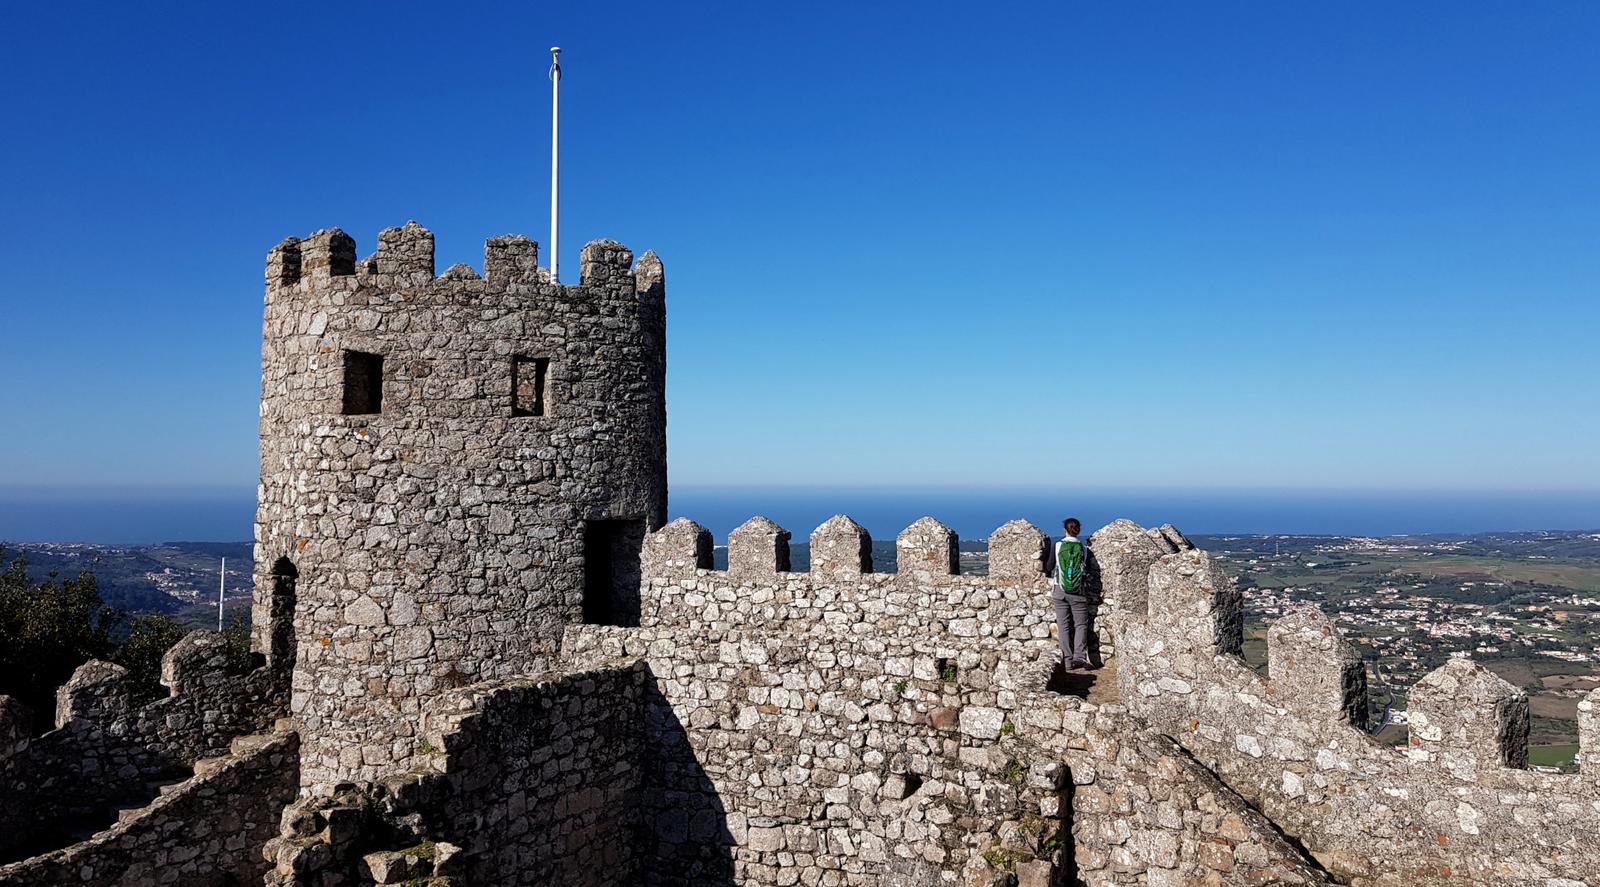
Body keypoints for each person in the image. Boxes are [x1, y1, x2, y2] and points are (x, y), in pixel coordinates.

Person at [1049, 517, 1095, 670]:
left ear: (1065, 530)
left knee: (1063, 626)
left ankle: (1067, 662)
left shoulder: (1057, 546)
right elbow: (1087, 569)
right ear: (1078, 530)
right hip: (1078, 591)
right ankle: (1079, 657)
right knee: (1081, 624)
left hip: (1059, 590)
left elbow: (1049, 566)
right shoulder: (1084, 549)